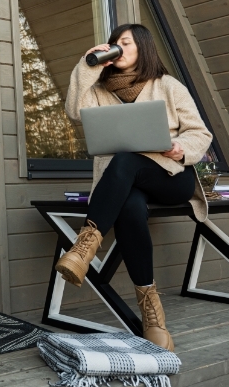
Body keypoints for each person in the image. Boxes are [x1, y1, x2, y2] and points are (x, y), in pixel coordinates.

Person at [53, 23, 213, 352]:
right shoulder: (97, 89)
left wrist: (179, 148)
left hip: (170, 176)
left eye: (125, 43)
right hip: (126, 183)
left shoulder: (168, 85)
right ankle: (151, 314)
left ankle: (84, 247)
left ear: (143, 47)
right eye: (114, 43)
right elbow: (73, 111)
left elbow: (200, 133)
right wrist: (86, 66)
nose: (118, 47)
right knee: (128, 206)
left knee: (125, 159)